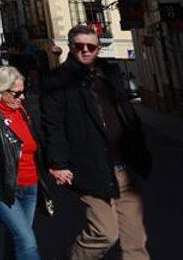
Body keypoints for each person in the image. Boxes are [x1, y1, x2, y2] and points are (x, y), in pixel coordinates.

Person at [38, 25, 152, 260]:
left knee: (136, 241)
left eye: (91, 46)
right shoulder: (58, 80)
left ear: (98, 48)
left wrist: (138, 144)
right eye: (80, 46)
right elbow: (53, 125)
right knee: (104, 232)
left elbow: (125, 110)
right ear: (71, 47)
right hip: (90, 166)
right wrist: (58, 162)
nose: (86, 51)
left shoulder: (108, 73)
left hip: (123, 166)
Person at [0, 65, 42, 260]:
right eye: (17, 93)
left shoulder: (22, 113)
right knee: (26, 240)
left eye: (23, 92)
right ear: (0, 91)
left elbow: (35, 146)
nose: (22, 97)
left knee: (16, 238)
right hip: (3, 188)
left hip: (30, 188)